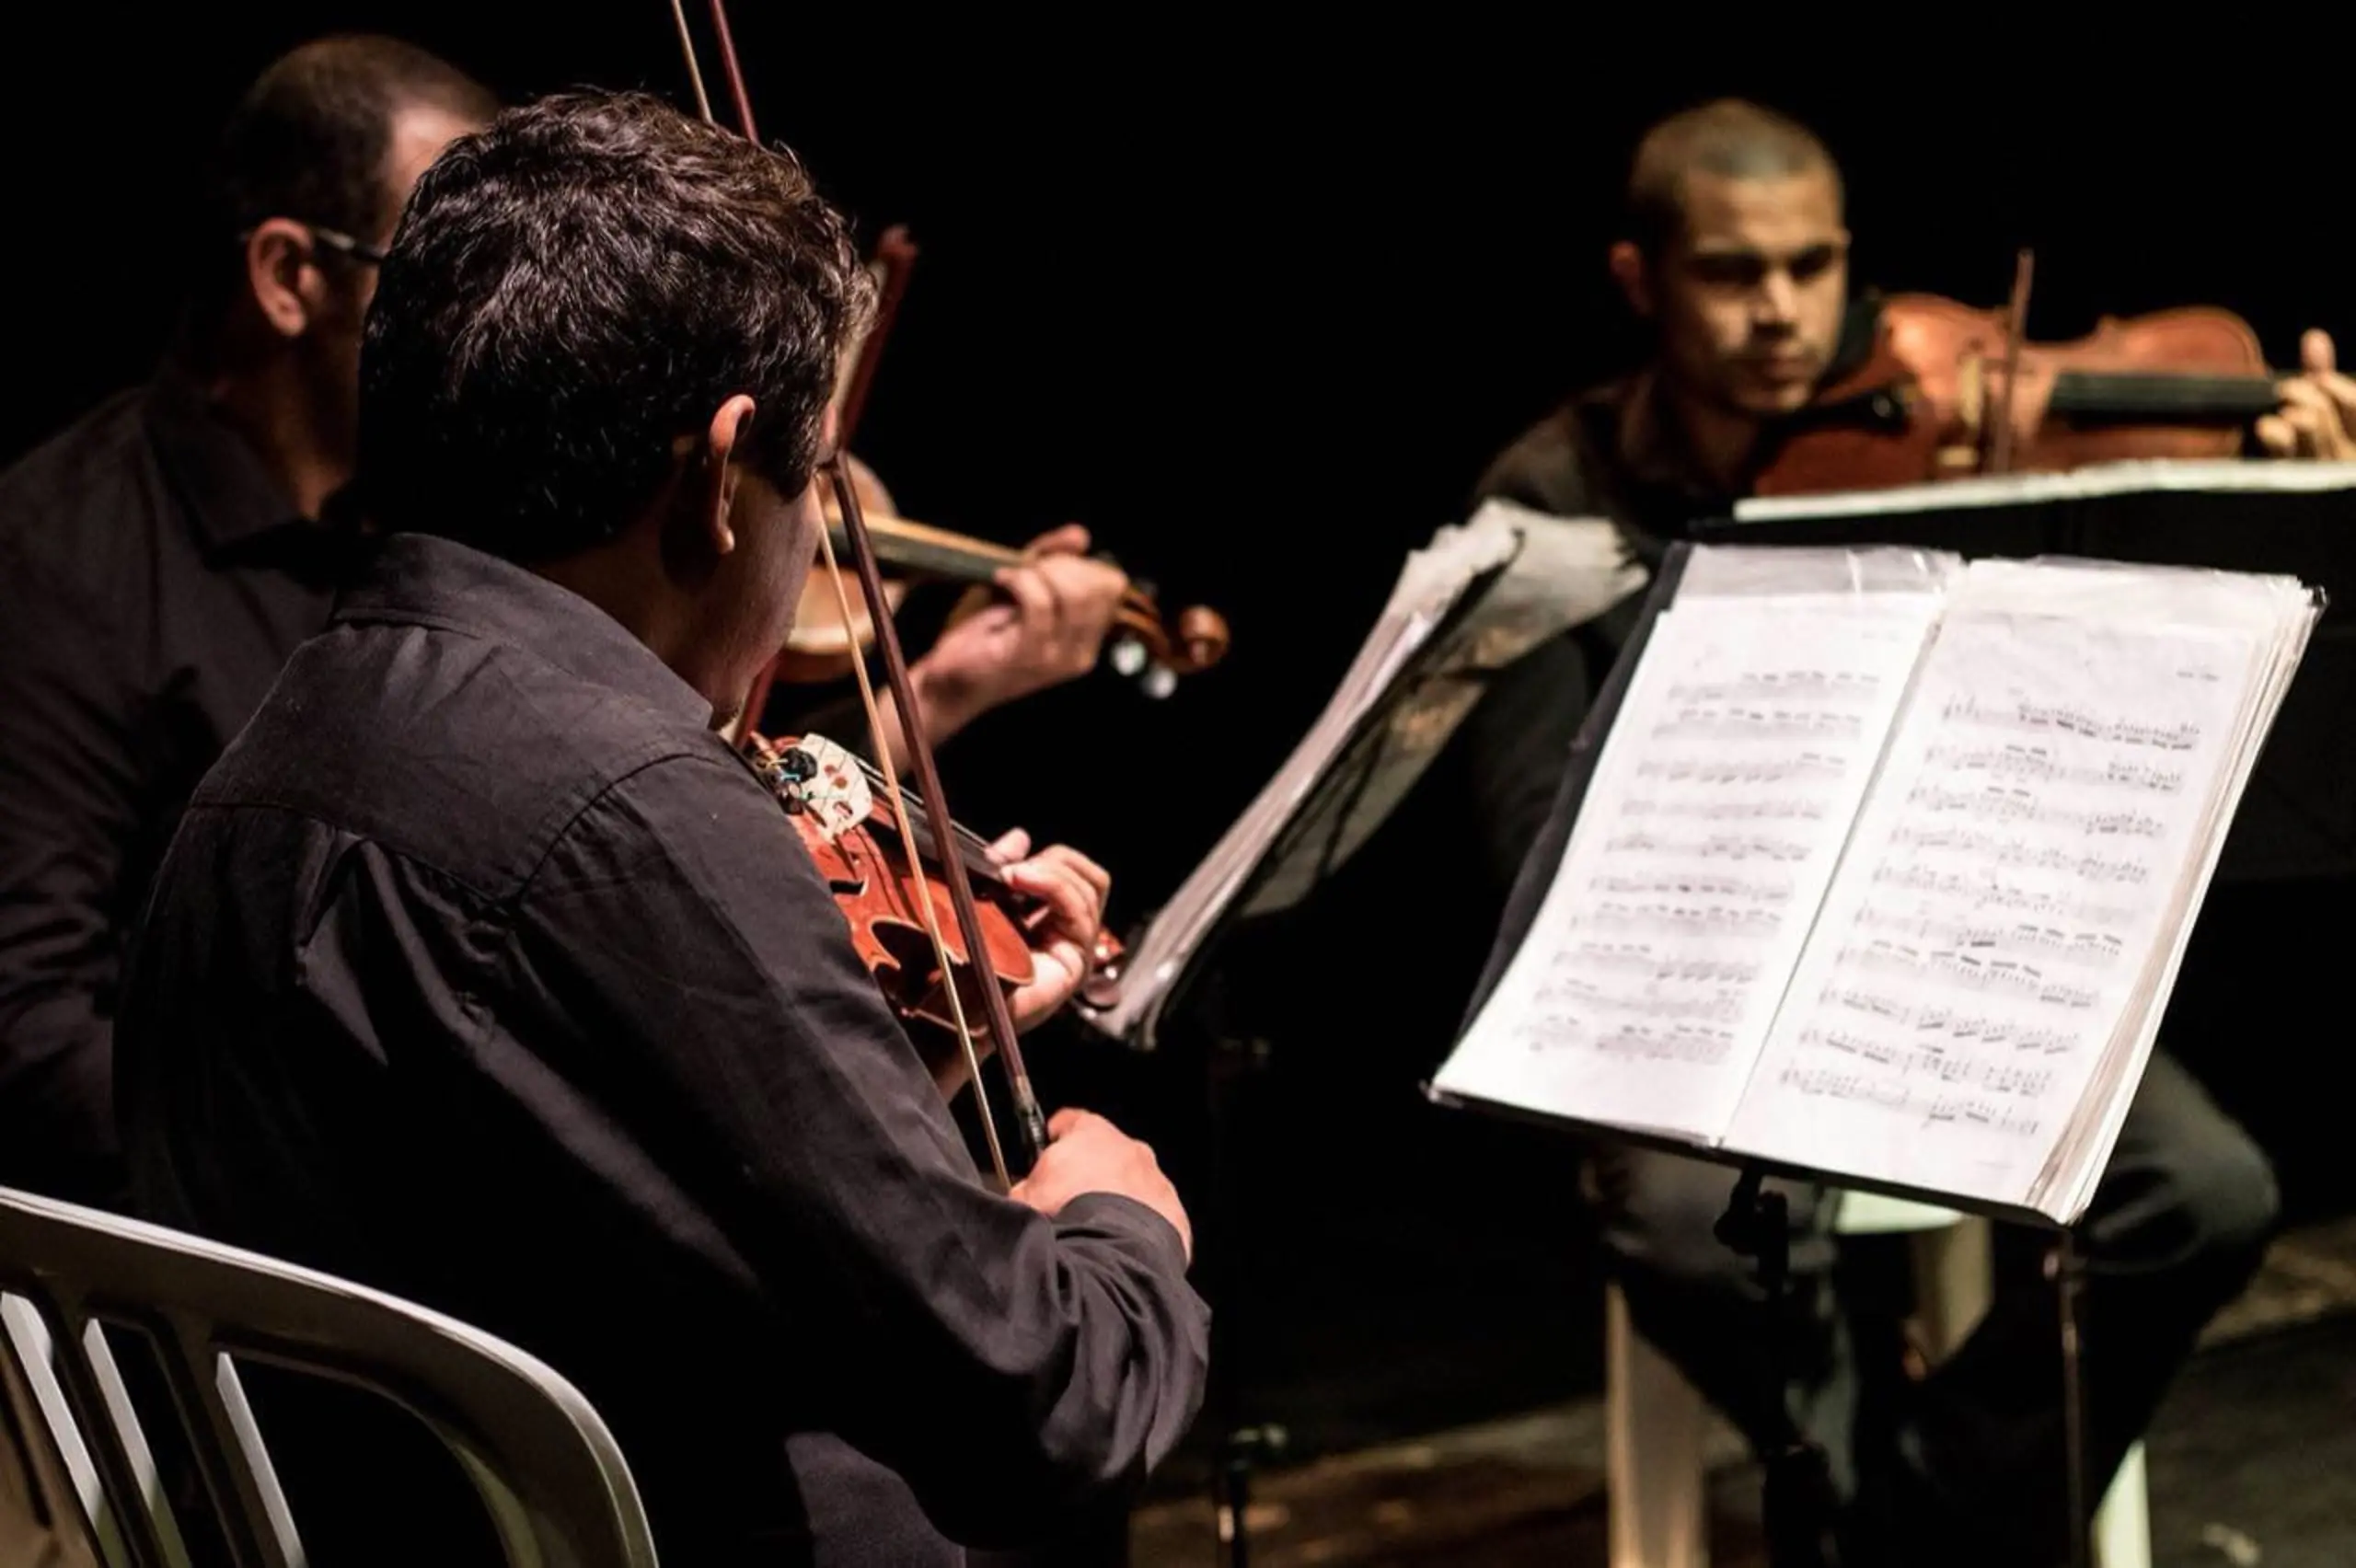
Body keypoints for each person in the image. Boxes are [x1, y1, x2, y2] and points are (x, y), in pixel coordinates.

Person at [111, 86, 1208, 1568]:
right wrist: (1119, 1227)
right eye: (812, 482)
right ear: (717, 472)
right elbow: (1047, 1404)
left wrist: (863, 1099)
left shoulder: (265, 769)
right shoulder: (631, 807)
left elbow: (554, 1202)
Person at [1435, 98, 2347, 1564]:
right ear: (1638, 282)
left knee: (2207, 1190)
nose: (1785, 315)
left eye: (1814, 267)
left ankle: (1910, 1521)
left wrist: (2294, 476)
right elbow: (1534, 834)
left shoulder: (1934, 439)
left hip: (1938, 941)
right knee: (1679, 1229)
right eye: (1733, 274)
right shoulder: (1551, 495)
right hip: (1696, 988)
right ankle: (1888, 1508)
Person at [0, 35, 500, 1211]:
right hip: (215, 1303)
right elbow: (24, 1029)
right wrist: (362, 1198)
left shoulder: (444, 526)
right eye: (444, 281)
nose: (487, 331)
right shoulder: (57, 563)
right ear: (289, 277)